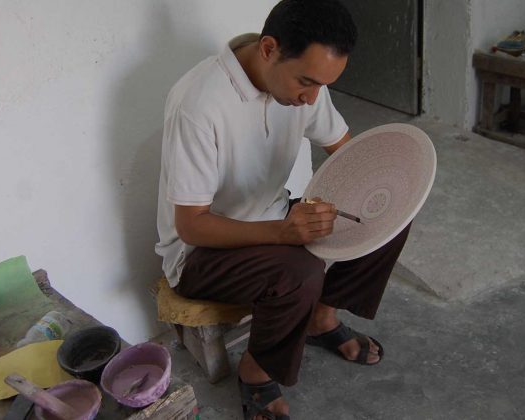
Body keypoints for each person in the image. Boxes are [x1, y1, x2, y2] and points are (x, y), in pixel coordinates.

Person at [155, 1, 411, 418]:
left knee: (387, 217)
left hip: (275, 216)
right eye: (306, 83)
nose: (311, 98)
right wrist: (283, 234)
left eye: (322, 86)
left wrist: (388, 187)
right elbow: (192, 225)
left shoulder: (306, 86)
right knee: (299, 272)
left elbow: (346, 152)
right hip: (201, 253)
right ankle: (256, 370)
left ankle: (321, 319)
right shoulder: (199, 104)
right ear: (269, 49)